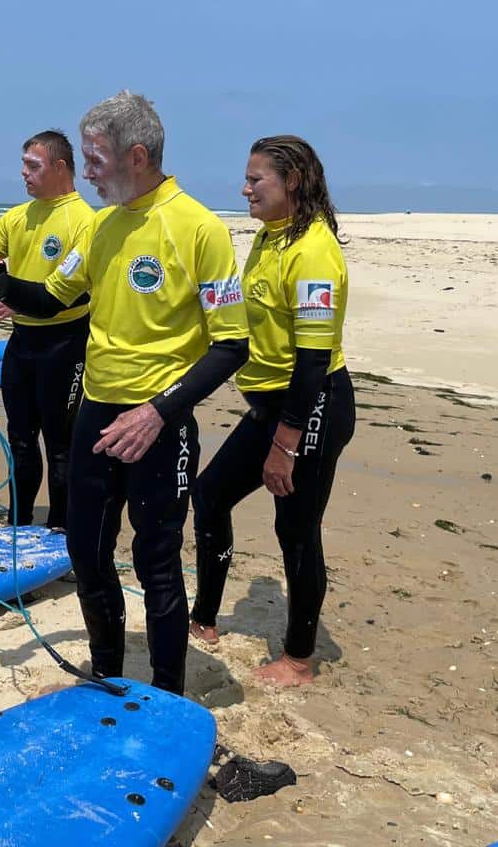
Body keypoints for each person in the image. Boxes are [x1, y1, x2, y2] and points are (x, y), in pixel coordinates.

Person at [0, 91, 248, 695]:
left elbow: (230, 345)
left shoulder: (200, 229)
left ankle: (167, 692)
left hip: (159, 423)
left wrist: (159, 411)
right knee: (87, 554)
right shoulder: (102, 226)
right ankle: (108, 675)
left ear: (136, 156)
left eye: (94, 159)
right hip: (95, 414)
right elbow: (47, 298)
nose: (85, 173)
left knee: (157, 564)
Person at [188, 135, 354, 687]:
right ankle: (204, 618)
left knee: (297, 529)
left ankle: (299, 659)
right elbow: (240, 311)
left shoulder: (313, 250)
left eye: (257, 179)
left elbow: (311, 361)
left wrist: (285, 444)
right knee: (210, 496)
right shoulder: (268, 239)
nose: (245, 188)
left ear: (293, 183)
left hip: (311, 407)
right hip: (268, 408)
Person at [0, 130, 93, 529]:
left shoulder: (85, 222)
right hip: (22, 344)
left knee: (61, 447)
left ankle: (61, 528)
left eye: (33, 165)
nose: (24, 173)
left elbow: (54, 300)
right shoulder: (17, 216)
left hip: (65, 345)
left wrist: (0, 286)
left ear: (60, 167)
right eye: (23, 165)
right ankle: (19, 525)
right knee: (19, 441)